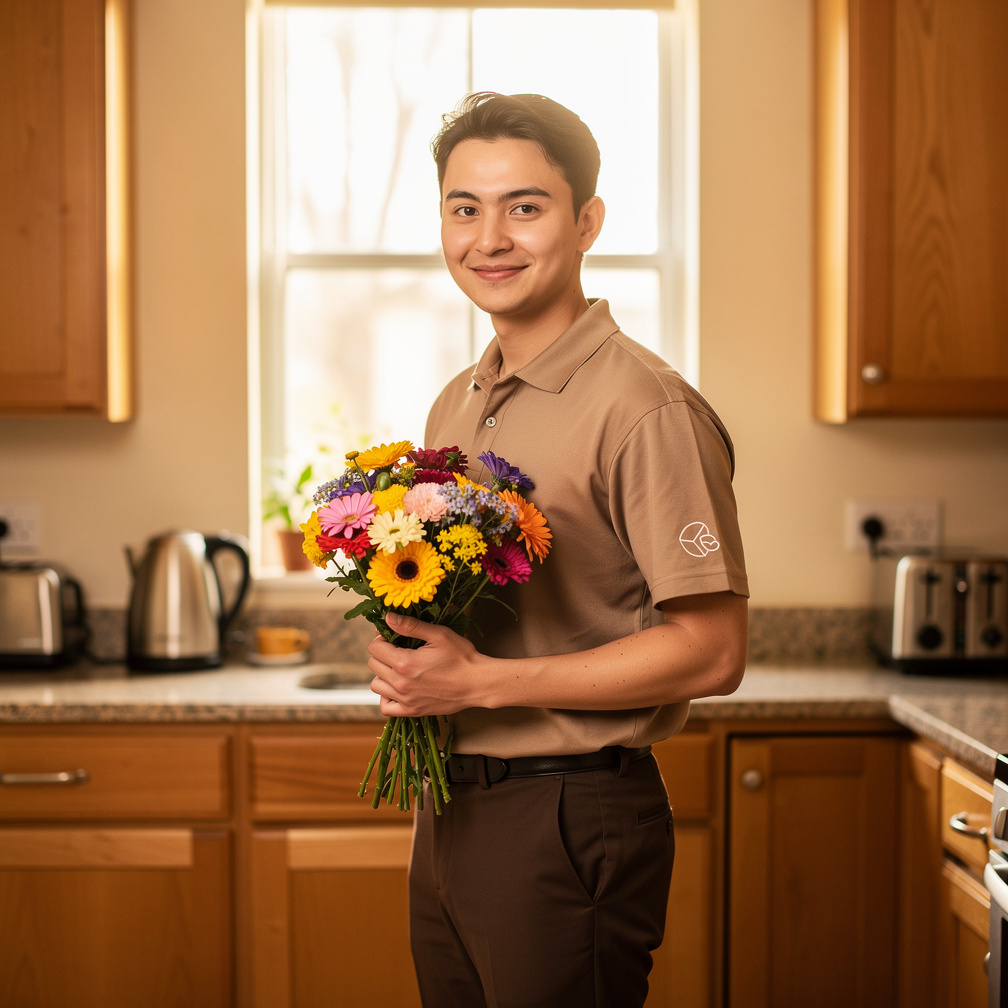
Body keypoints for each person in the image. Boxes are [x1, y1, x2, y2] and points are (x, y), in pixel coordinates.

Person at [367, 92, 749, 1008]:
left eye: (524, 207)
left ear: (586, 223)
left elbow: (714, 650)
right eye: (465, 208)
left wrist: (482, 683)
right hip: (455, 802)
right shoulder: (461, 397)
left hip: (569, 808)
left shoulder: (645, 408)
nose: (489, 237)